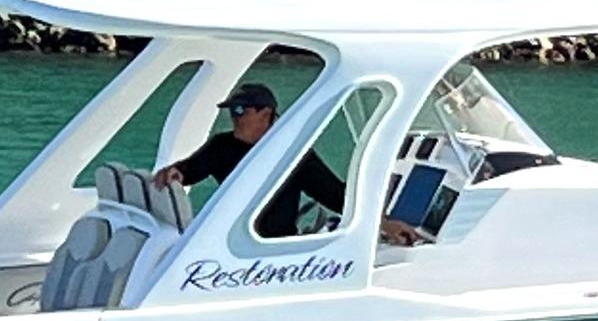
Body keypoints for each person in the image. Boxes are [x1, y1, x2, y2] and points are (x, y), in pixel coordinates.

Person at [155, 84, 424, 244]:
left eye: (241, 111)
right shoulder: (222, 146)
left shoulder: (291, 153)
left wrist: (382, 223)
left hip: (273, 246)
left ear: (266, 114)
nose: (234, 118)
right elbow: (191, 169)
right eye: (231, 111)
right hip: (227, 241)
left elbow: (333, 195)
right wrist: (175, 172)